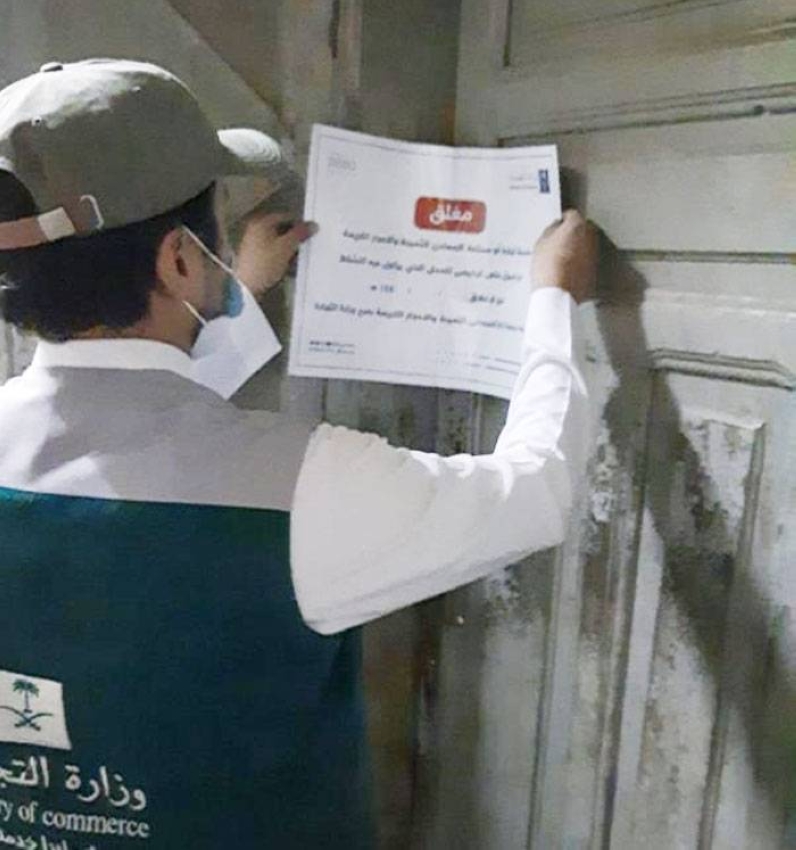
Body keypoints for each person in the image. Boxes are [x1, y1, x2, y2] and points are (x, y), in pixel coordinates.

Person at [0, 59, 597, 848]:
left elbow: (129, 434)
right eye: (213, 227)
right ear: (179, 259)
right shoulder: (304, 487)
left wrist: (237, 292)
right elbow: (536, 490)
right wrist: (555, 299)